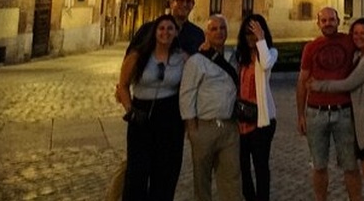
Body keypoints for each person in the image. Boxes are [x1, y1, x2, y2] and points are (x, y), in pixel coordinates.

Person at [296, 7, 364, 201]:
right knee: (319, 165)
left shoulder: (348, 41)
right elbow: (302, 81)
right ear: (318, 23)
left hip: (344, 113)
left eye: (332, 19)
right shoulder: (310, 48)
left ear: (339, 21)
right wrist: (301, 114)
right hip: (316, 113)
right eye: (324, 20)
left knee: (350, 166)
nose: (328, 23)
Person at [116, 14, 186, 201]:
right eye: (161, 28)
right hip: (141, 116)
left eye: (170, 28)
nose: (165, 32)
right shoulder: (138, 55)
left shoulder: (182, 58)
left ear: (176, 32)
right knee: (137, 172)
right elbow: (122, 85)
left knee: (165, 172)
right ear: (154, 32)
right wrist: (130, 110)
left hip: (170, 118)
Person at [180, 14, 243, 201]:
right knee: (202, 178)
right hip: (204, 127)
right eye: (214, 29)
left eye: (222, 28)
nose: (219, 32)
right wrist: (192, 129)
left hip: (229, 126)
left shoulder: (233, 57)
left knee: (232, 176)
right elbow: (187, 95)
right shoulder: (196, 61)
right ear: (206, 33)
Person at [235, 14, 278, 201]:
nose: (251, 38)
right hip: (242, 120)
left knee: (260, 165)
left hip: (262, 120)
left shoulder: (270, 53)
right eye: (248, 33)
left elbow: (267, 63)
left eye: (255, 33)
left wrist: (261, 39)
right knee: (242, 165)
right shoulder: (240, 57)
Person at [129, 0, 205, 56]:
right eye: (180, 1)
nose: (184, 4)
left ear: (193, 5)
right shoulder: (148, 29)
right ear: (172, 4)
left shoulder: (197, 34)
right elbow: (131, 55)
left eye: (188, 1)